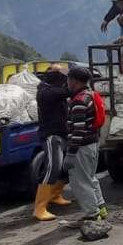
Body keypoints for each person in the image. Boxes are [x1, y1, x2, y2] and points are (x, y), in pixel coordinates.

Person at [65, 67, 107, 223]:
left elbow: (78, 130)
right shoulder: (90, 95)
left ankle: (92, 215)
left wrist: (70, 153)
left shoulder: (78, 102)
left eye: (68, 79)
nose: (67, 82)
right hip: (93, 143)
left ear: (74, 81)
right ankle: (100, 208)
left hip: (81, 148)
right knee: (90, 178)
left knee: (80, 182)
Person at [33, 64, 74, 221]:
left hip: (62, 133)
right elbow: (68, 91)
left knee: (65, 167)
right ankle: (40, 207)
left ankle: (55, 195)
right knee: (53, 167)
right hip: (51, 135)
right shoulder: (45, 91)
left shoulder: (53, 89)